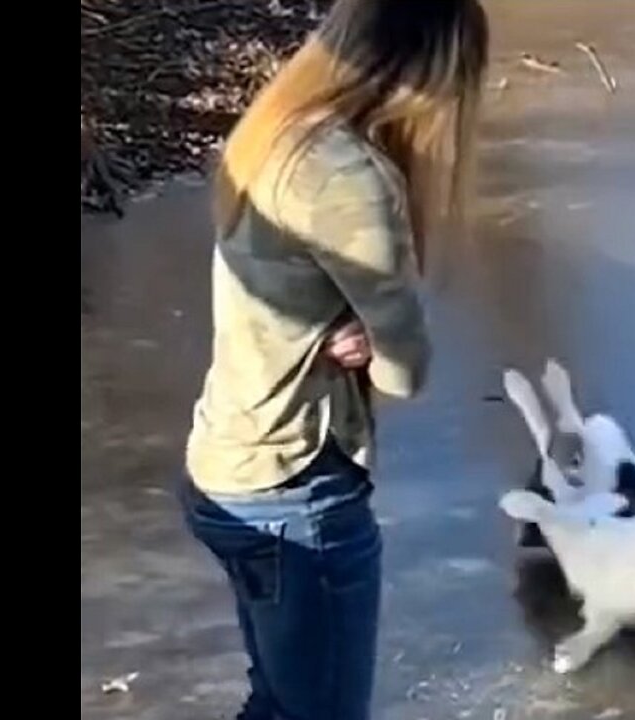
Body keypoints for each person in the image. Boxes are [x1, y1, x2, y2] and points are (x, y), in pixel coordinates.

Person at [178, 1, 489, 718]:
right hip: (296, 494)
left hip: (226, 467)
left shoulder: (270, 133)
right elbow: (405, 370)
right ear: (429, 75)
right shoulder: (350, 176)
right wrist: (373, 344)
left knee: (284, 703)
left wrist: (352, 328)